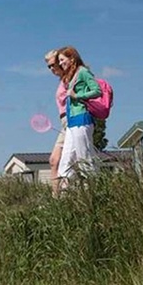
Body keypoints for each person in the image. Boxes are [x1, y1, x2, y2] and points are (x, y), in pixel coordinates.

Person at [57, 46, 101, 187]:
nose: (61, 63)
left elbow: (97, 90)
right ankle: (68, 196)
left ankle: (93, 193)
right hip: (71, 123)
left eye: (62, 60)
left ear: (72, 58)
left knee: (85, 159)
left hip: (82, 119)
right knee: (65, 162)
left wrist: (78, 95)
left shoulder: (83, 72)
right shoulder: (71, 76)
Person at [45, 49, 69, 196]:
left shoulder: (69, 78)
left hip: (73, 121)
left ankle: (62, 196)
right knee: (54, 160)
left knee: (60, 160)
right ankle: (56, 198)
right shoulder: (62, 81)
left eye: (54, 64)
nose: (52, 68)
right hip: (64, 123)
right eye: (49, 66)